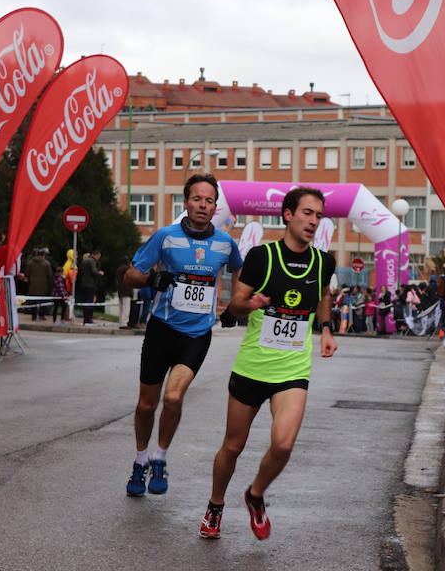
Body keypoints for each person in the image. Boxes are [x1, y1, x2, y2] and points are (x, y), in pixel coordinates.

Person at [199, 186, 336, 540]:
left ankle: (255, 494)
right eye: (307, 213)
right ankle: (215, 505)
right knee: (233, 446)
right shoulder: (261, 257)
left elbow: (322, 294)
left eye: (318, 215)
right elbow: (234, 306)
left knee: (284, 445)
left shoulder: (324, 261)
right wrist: (252, 303)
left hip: (292, 370)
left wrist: (326, 329)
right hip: (252, 367)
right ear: (288, 215)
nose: (313, 221)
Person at [123, 173, 242, 498]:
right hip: (161, 330)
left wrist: (234, 305)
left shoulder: (225, 244)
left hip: (197, 334)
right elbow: (131, 275)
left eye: (209, 201)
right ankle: (140, 459)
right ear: (186, 202)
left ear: (215, 206)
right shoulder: (165, 237)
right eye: (197, 199)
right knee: (146, 405)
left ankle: (160, 458)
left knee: (174, 397)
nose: (203, 206)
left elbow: (240, 273)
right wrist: (152, 280)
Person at [25, 248, 52, 321]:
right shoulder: (46, 263)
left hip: (32, 285)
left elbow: (27, 273)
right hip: (43, 285)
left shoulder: (30, 262)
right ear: (43, 255)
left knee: (33, 301)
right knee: (43, 301)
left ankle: (34, 316)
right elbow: (49, 275)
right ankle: (41, 315)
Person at [78, 250, 103, 324]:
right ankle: (88, 319)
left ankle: (86, 318)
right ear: (97, 255)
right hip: (91, 284)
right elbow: (94, 272)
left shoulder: (84, 261)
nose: (99, 258)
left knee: (85, 302)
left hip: (83, 284)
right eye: (99, 256)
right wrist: (100, 273)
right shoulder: (92, 261)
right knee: (90, 302)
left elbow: (81, 271)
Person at [115, 256, 133, 329]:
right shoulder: (127, 269)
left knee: (121, 308)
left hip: (120, 290)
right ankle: (124, 323)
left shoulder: (119, 269)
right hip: (127, 290)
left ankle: (121, 322)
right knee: (126, 308)